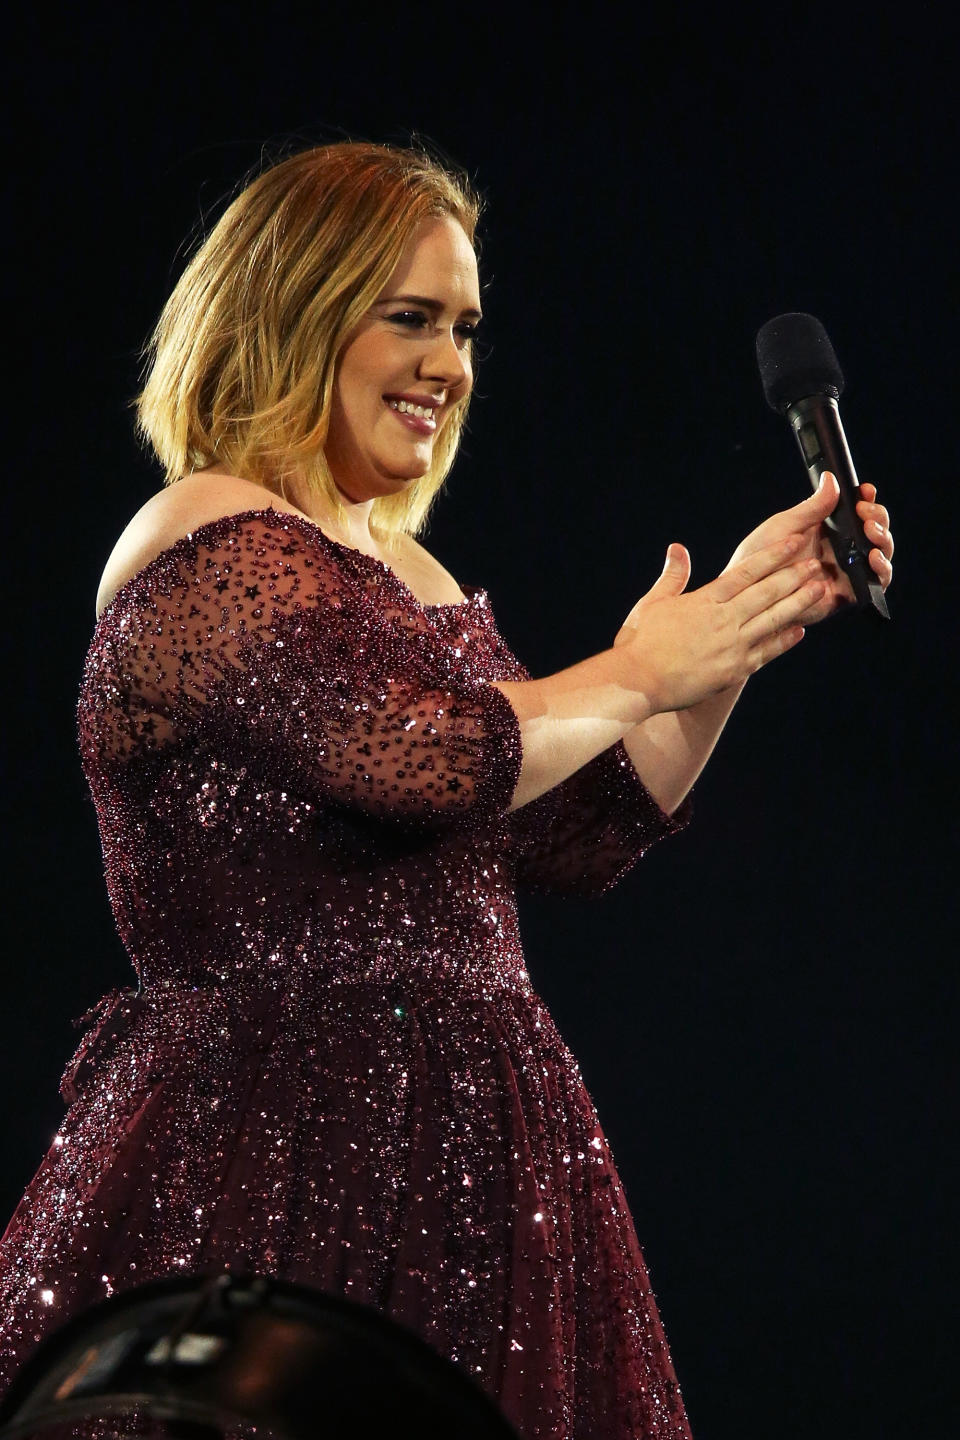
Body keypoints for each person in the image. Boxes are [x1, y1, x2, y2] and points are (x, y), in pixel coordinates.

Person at [0, 142, 893, 1439]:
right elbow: (423, 752)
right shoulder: (200, 527)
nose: (449, 365)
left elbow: (573, 832)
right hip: (271, 1171)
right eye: (408, 317)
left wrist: (734, 638)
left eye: (464, 328)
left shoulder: (408, 576)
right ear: (288, 310)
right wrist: (640, 667)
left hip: (476, 1188)